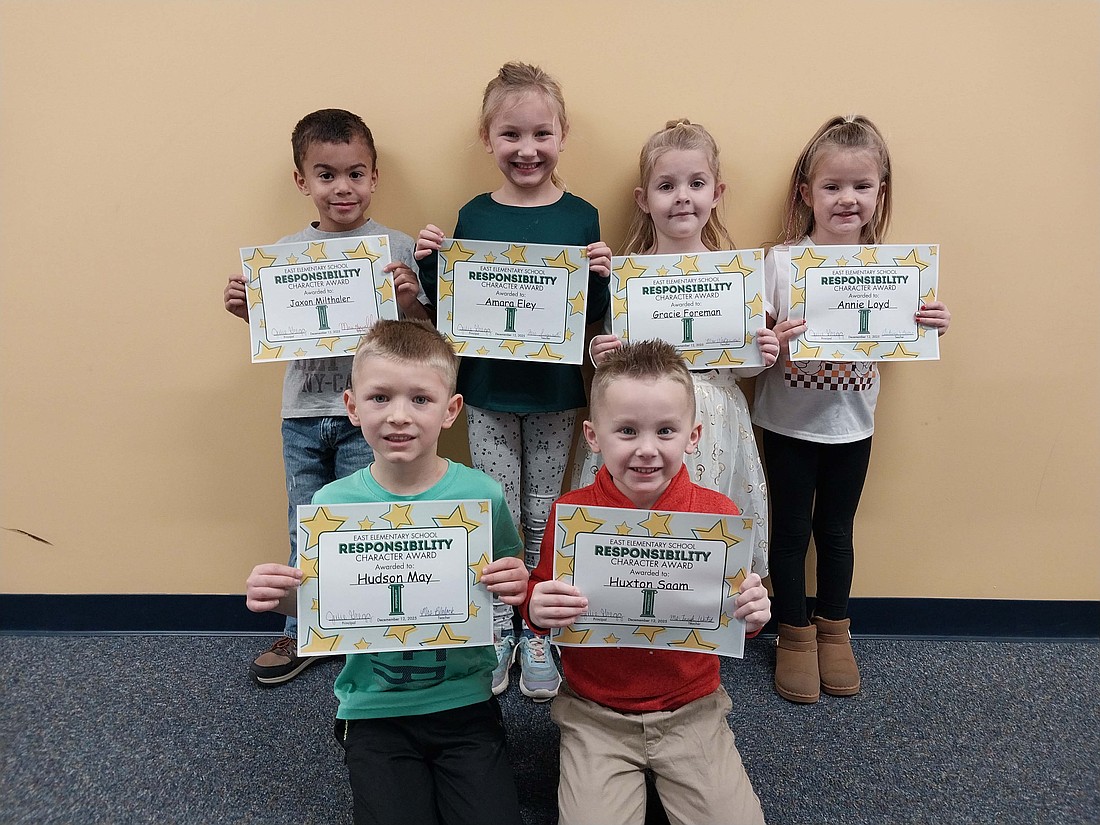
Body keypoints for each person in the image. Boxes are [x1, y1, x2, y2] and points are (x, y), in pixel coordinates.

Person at [245, 319, 528, 825]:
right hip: (374, 709)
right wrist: (282, 598)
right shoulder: (333, 504)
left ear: (451, 410)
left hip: (464, 700)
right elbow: (321, 604)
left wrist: (516, 583)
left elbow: (510, 576)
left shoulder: (483, 495)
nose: (400, 416)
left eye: (421, 399)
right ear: (352, 407)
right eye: (380, 398)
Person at [415, 62, 611, 701]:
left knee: (541, 512)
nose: (527, 150)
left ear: (562, 135)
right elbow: (450, 314)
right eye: (510, 135)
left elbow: (596, 312)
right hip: (489, 390)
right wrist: (429, 267)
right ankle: (499, 624)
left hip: (555, 392)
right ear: (486, 136)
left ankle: (536, 629)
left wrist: (606, 275)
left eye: (541, 135)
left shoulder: (583, 217)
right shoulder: (471, 215)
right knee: (498, 509)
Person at [223, 109, 430, 686]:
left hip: (373, 415)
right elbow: (278, 330)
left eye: (355, 173)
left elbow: (424, 336)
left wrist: (412, 299)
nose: (343, 188)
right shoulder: (282, 256)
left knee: (374, 521)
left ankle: (379, 629)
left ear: (374, 176)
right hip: (303, 412)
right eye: (326, 175)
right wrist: (250, 309)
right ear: (302, 180)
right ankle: (302, 634)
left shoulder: (396, 247)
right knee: (306, 522)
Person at [525, 340, 771, 825]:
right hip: (595, 713)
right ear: (593, 436)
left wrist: (754, 615)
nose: (646, 449)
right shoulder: (572, 514)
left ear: (693, 435)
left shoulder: (717, 517)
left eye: (665, 431)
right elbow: (539, 598)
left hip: (691, 709)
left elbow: (738, 621)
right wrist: (535, 608)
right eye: (626, 431)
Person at [755, 115, 952, 703]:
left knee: (837, 532)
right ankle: (793, 635)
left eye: (862, 187)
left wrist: (929, 323)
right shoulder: (781, 263)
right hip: (786, 422)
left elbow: (903, 336)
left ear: (880, 193)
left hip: (853, 424)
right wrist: (772, 339)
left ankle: (834, 630)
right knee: (789, 532)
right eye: (833, 187)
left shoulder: (896, 270)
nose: (847, 199)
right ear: (805, 193)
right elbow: (750, 345)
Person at [575, 119, 778, 578]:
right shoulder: (628, 276)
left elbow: (743, 370)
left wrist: (761, 353)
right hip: (641, 416)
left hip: (712, 418)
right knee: (634, 520)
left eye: (696, 183)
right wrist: (601, 354)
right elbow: (614, 356)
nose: (682, 196)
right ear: (644, 201)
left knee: (700, 522)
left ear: (717, 193)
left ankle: (697, 615)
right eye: (667, 186)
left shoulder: (738, 275)